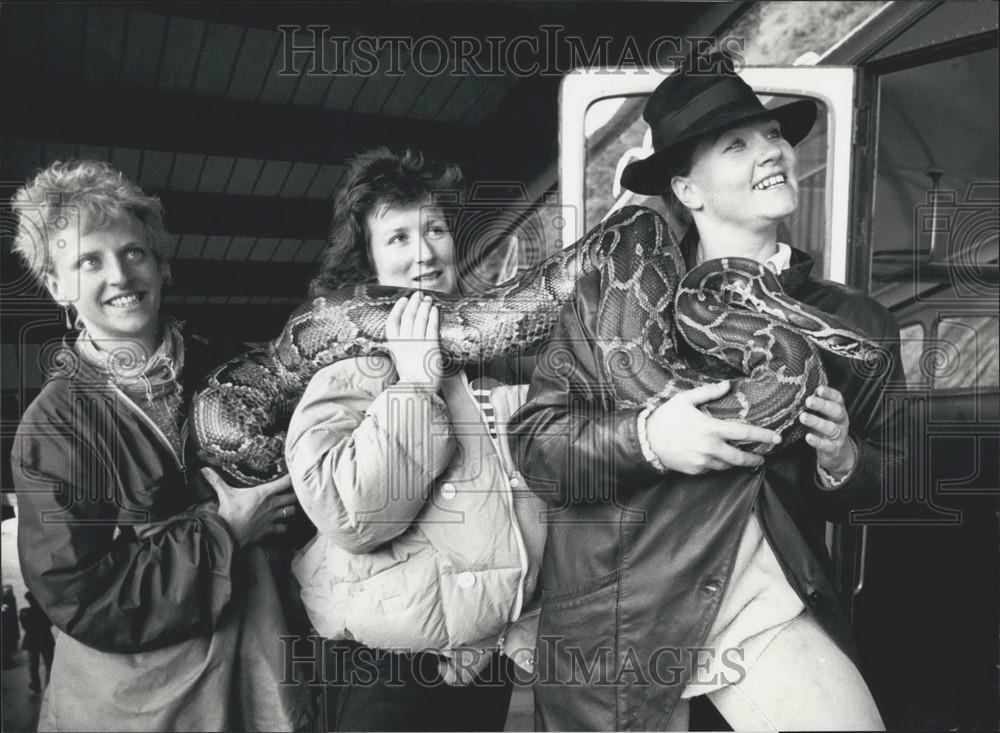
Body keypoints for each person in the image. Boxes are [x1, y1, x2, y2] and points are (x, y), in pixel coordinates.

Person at [509, 52, 904, 731]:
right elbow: (538, 446)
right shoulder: (611, 292)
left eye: (774, 134)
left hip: (766, 608)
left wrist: (844, 459)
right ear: (687, 190)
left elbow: (894, 479)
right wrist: (649, 438)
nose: (773, 150)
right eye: (737, 143)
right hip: (621, 624)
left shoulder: (853, 323)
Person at [9, 160, 310, 731]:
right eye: (89, 261)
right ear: (57, 286)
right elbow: (81, 595)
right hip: (134, 703)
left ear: (160, 262)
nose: (119, 275)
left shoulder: (232, 365)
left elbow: (306, 497)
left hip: (258, 673)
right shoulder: (52, 426)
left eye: (133, 252)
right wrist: (226, 532)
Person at [287, 148, 544, 731]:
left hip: (483, 664)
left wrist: (517, 627)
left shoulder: (491, 360)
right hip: (387, 675)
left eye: (434, 229)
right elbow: (353, 514)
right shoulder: (342, 364)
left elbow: (520, 513)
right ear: (368, 262)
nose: (424, 252)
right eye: (398, 238)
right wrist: (415, 384)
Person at [19, 591, 55, 693]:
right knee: (49, 665)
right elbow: (50, 624)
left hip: (31, 641)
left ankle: (36, 685)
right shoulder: (46, 612)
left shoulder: (24, 612)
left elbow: (24, 626)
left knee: (33, 665)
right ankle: (49, 686)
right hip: (46, 639)